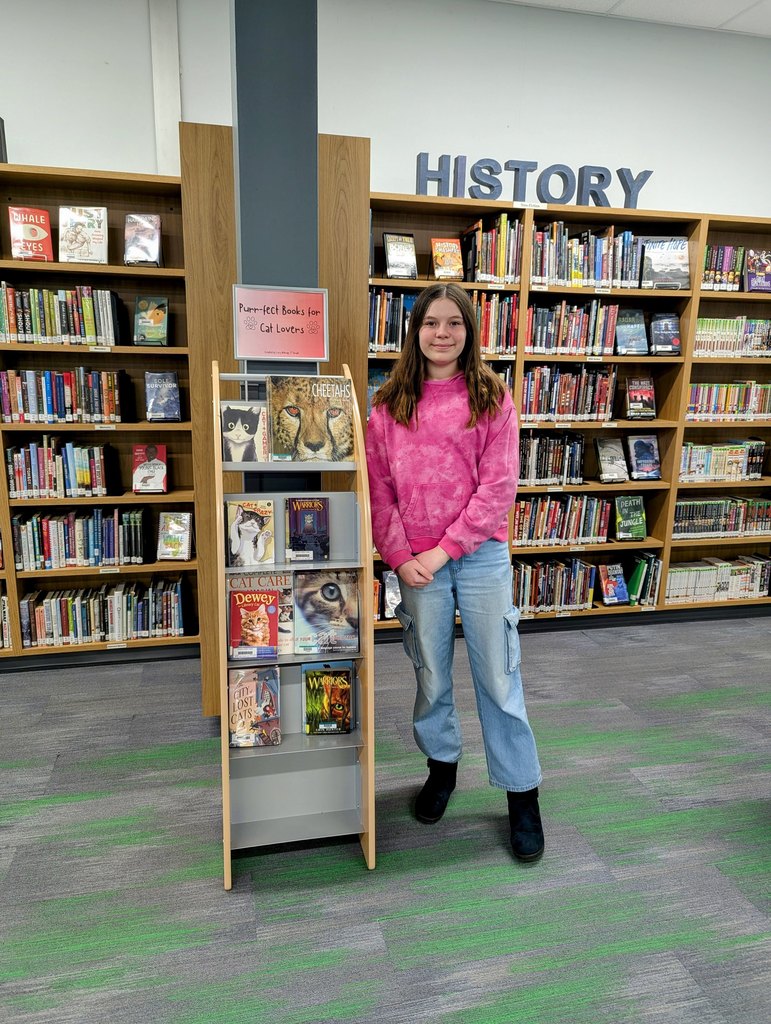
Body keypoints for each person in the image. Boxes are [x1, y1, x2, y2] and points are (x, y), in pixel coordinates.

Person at [365, 282, 544, 862]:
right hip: (415, 564)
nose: (442, 334)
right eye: (431, 323)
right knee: (430, 675)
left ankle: (522, 793)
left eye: (454, 324)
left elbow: (498, 490)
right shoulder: (387, 405)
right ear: (414, 331)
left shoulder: (493, 397)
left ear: (470, 331)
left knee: (499, 676)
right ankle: (441, 768)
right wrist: (399, 556)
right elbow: (378, 491)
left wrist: (442, 551)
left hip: (478, 557)